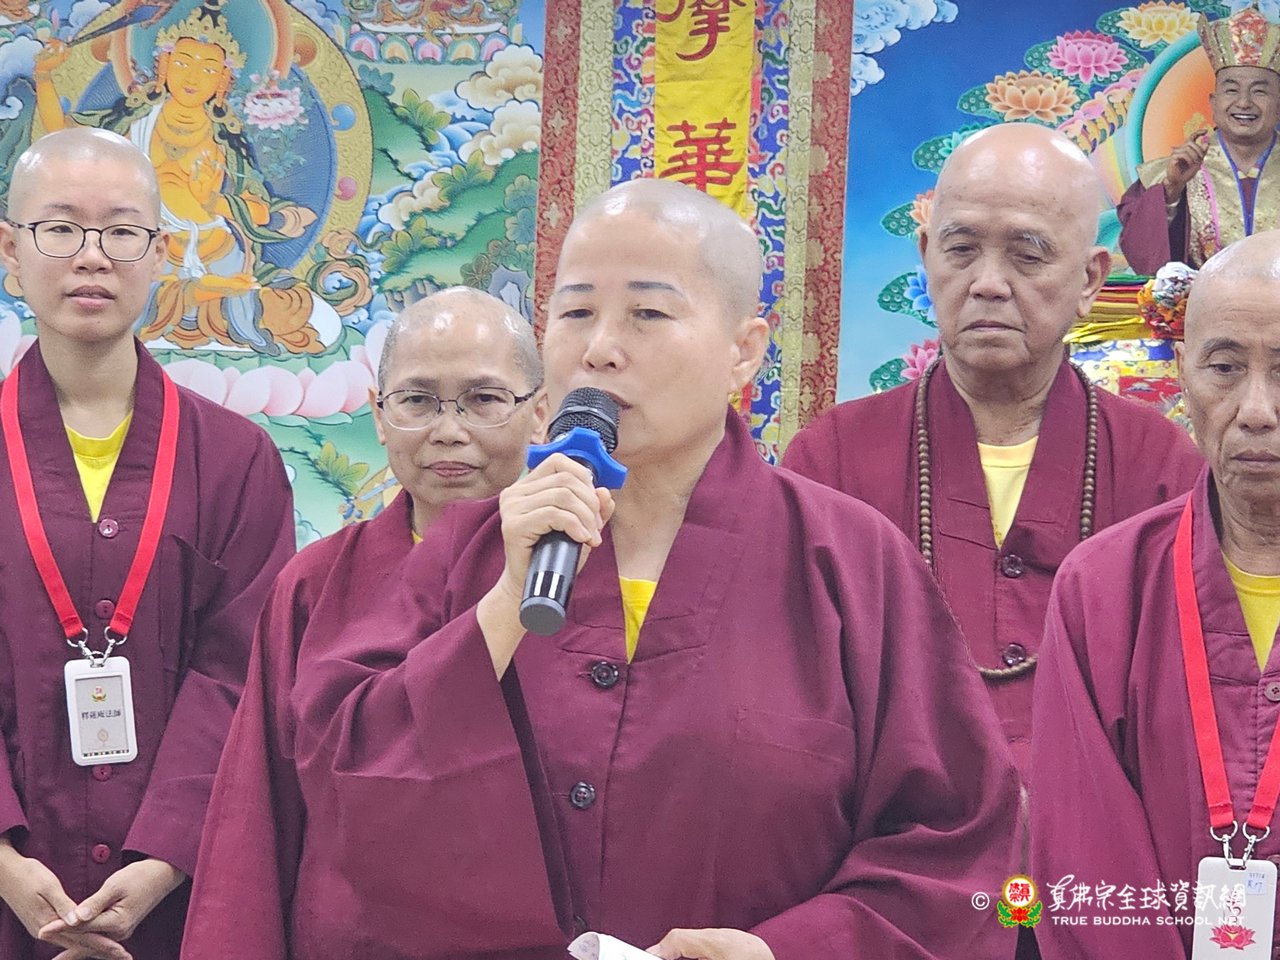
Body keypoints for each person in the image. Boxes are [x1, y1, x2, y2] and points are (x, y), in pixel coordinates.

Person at [181, 178, 1020, 960]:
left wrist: (790, 950)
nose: (601, 350)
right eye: (575, 312)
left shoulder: (850, 564)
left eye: (648, 314)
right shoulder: (470, 554)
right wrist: (504, 605)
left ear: (744, 351)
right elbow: (340, 792)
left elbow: (955, 842)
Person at [782, 123, 1203, 777]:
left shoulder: (1162, 469)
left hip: (1099, 833)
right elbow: (795, 708)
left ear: (1090, 278)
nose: (987, 283)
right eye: (961, 250)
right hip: (894, 833)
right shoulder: (831, 463)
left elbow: (1193, 712)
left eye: (1027, 256)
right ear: (927, 256)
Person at [0, 127, 294, 959]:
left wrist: (164, 857)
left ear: (160, 253)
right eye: (60, 228)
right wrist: (5, 865)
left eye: (122, 231)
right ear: (11, 251)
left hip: (183, 891)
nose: (92, 256)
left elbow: (243, 673)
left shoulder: (236, 460)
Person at [1031, 229, 1280, 956]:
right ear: (1180, 375)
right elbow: (1082, 854)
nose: (1257, 409)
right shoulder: (1103, 588)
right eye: (1224, 368)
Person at [33, 0, 336, 355]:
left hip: (215, 251)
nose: (192, 77)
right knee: (115, 297)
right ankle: (195, 296)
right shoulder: (134, 122)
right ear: (162, 66)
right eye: (182, 62)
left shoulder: (225, 139)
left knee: (289, 303)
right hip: (141, 254)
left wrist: (212, 201)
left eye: (208, 68)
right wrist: (44, 77)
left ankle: (207, 296)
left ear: (223, 81)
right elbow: (63, 137)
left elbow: (257, 211)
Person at [1118, 6, 1280, 274]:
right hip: (1199, 300)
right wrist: (1172, 190)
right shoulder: (1173, 173)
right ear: (1213, 103)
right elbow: (1142, 257)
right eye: (1231, 90)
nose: (1244, 102)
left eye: (1259, 92)